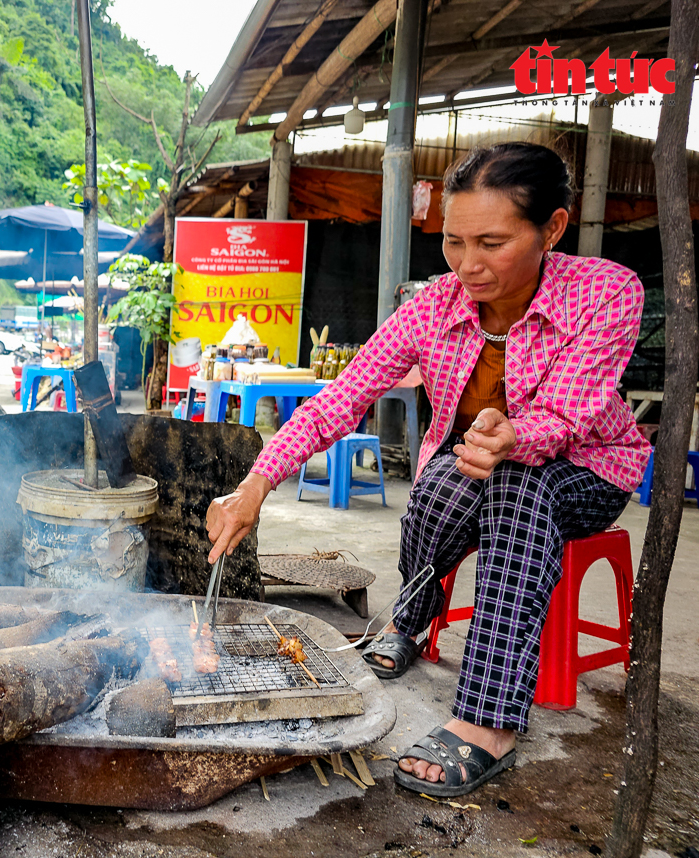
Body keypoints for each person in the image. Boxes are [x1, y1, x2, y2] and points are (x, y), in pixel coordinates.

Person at [205, 142, 651, 797]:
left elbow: (570, 416)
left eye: (493, 243)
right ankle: (412, 616)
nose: (468, 265)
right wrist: (257, 484)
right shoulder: (433, 307)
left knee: (517, 491)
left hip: (586, 466)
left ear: (551, 229)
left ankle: (487, 721)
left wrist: (515, 434)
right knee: (434, 496)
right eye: (453, 242)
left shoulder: (608, 291)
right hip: (474, 461)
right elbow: (344, 396)